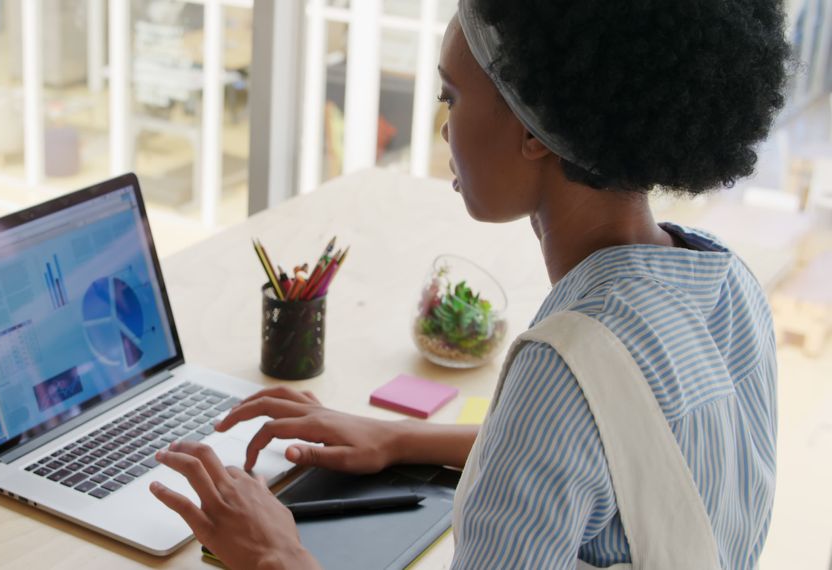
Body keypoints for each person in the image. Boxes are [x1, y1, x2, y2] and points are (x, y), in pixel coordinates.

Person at [148, 0, 789, 567]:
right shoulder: (728, 284)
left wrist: (273, 553)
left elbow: (567, 418)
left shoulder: (567, 364)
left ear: (533, 128)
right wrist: (400, 437)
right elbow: (614, 459)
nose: (445, 128)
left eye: (451, 97)